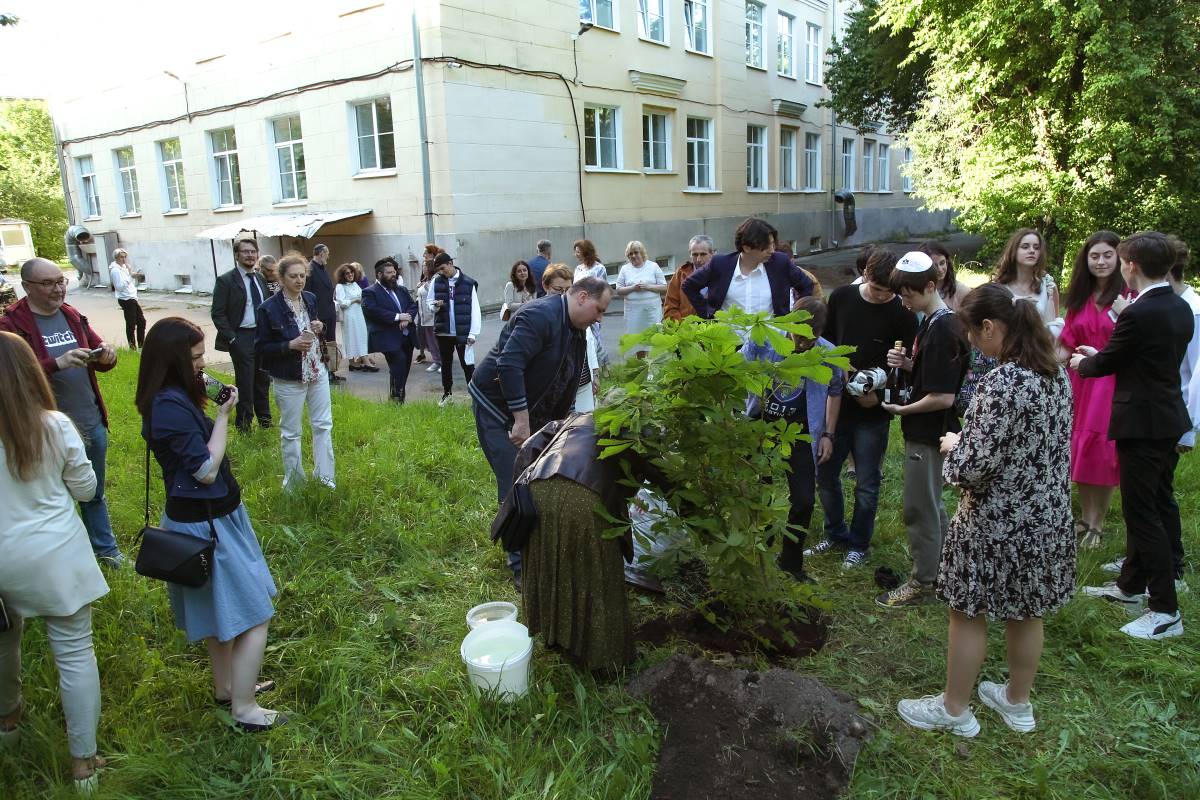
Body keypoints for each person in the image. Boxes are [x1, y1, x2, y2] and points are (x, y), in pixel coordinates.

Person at [896, 283, 1074, 737]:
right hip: (1047, 517)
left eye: (973, 334)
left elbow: (973, 468)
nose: (971, 343)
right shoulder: (1055, 373)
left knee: (967, 611)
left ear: (991, 327)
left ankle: (955, 711)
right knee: (1026, 610)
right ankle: (1018, 703)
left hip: (995, 521)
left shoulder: (1004, 381)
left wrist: (955, 445)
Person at [136, 317, 283, 732]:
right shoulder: (167, 405)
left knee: (220, 614)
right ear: (172, 362)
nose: (203, 364)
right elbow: (204, 468)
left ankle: (228, 688)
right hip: (204, 525)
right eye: (196, 357)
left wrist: (205, 394)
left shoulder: (175, 395)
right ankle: (245, 707)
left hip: (215, 516)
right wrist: (222, 417)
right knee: (255, 614)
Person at [0, 331, 109, 790]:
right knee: (74, 652)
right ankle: (84, 762)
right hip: (55, 554)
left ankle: (8, 723)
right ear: (30, 373)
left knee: (4, 643)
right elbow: (86, 491)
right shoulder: (55, 425)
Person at [1074, 232, 1192, 640]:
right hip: (1165, 417)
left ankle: (1164, 610)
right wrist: (1101, 356)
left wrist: (1083, 361)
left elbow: (1110, 362)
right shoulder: (1178, 305)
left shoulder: (1139, 312)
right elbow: (1141, 357)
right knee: (1154, 504)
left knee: (1143, 515)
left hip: (1143, 423)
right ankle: (1129, 586)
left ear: (1131, 266)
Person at [469, 277, 611, 584]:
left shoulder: (575, 328)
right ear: (583, 297)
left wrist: (562, 422)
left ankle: (536, 549)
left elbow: (566, 375)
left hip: (532, 413)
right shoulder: (540, 315)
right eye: (599, 310)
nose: (600, 318)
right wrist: (521, 420)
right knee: (515, 480)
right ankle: (521, 566)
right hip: (498, 410)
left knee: (536, 477)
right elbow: (509, 364)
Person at [0, 258, 123, 565]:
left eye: (61, 281)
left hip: (89, 418)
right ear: (26, 286)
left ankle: (106, 553)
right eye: (48, 283)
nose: (58, 289)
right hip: (43, 427)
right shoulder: (11, 324)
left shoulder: (70, 314)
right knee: (54, 499)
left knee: (92, 491)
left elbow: (100, 355)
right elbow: (10, 376)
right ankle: (67, 559)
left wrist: (106, 354)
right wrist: (57, 363)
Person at [807, 250, 918, 569]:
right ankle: (835, 533)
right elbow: (823, 344)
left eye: (890, 291)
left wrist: (879, 394)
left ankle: (859, 543)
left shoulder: (903, 313)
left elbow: (906, 369)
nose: (883, 296)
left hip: (873, 411)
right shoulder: (842, 298)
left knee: (867, 482)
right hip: (837, 405)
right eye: (877, 289)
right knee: (825, 474)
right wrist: (838, 369)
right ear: (865, 276)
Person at [878, 251, 969, 608]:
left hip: (930, 430)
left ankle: (924, 582)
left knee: (920, 508)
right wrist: (910, 364)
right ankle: (945, 570)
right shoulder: (931, 320)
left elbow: (944, 396)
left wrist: (902, 408)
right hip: (925, 428)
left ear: (931, 286)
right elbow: (934, 374)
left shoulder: (945, 326)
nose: (904, 301)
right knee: (932, 504)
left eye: (909, 294)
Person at [745, 296, 843, 581]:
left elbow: (835, 391)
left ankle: (790, 563)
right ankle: (757, 552)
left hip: (800, 433)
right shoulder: (765, 340)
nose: (801, 346)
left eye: (808, 342)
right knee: (756, 494)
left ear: (820, 334)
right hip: (761, 427)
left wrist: (828, 434)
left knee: (803, 500)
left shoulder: (827, 353)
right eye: (797, 339)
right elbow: (739, 370)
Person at [1057, 231, 1126, 549]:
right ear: (1086, 260)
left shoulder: (1128, 296)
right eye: (1094, 256)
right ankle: (1085, 516)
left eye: (1107, 255)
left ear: (1119, 259)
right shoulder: (1078, 298)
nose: (1100, 261)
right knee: (1081, 448)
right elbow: (1066, 344)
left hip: (1113, 380)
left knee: (1105, 450)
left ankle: (1098, 523)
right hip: (1080, 381)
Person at [256, 255, 336, 490]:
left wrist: (318, 326)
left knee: (323, 425)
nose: (299, 280)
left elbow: (311, 325)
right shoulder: (268, 308)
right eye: (293, 276)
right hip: (289, 375)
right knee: (291, 432)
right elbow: (260, 349)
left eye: (302, 275)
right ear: (281, 279)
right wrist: (288, 345)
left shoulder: (310, 299)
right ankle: (294, 484)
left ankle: (325, 478)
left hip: (316, 370)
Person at [682, 217, 815, 321]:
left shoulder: (780, 263)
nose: (772, 250)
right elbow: (689, 285)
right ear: (746, 247)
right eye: (766, 246)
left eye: (773, 245)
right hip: (730, 346)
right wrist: (707, 314)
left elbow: (806, 285)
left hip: (771, 345)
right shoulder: (720, 264)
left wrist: (795, 318)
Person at [210, 237, 273, 432]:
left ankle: (265, 421)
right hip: (241, 337)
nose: (250, 255)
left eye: (253, 252)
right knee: (246, 382)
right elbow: (217, 313)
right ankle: (244, 425)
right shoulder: (226, 280)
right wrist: (232, 338)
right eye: (245, 251)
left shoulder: (260, 278)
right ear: (237, 255)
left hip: (261, 336)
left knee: (263, 380)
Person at [362, 257, 419, 404]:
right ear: (379, 275)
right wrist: (398, 317)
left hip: (407, 335)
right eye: (388, 273)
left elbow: (413, 306)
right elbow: (372, 310)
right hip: (387, 336)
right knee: (398, 363)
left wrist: (407, 318)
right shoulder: (370, 292)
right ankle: (397, 397)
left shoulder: (401, 290)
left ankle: (397, 394)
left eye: (394, 272)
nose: (393, 275)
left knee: (404, 367)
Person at [429, 252, 481, 407]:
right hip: (444, 331)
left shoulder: (468, 282)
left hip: (463, 332)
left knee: (468, 365)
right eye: (439, 270)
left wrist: (473, 333)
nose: (441, 272)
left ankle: (475, 397)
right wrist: (434, 306)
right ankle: (447, 394)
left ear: (451, 263)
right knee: (446, 364)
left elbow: (475, 310)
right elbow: (429, 302)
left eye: (443, 268)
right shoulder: (436, 282)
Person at [992, 229, 1063, 337]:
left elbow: (1055, 327)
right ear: (1014, 250)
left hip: (1039, 349)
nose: (1032, 251)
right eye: (1025, 247)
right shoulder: (999, 287)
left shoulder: (1048, 287)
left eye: (1036, 247)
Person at [615, 240, 667, 356]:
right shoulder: (625, 269)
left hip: (651, 312)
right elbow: (618, 290)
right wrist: (633, 288)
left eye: (636, 252)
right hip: (633, 313)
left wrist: (648, 286)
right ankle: (641, 365)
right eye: (630, 254)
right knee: (636, 338)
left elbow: (664, 287)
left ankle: (653, 367)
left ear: (642, 253)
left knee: (653, 338)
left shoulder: (653, 266)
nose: (633, 256)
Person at [304, 244, 344, 383]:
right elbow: (307, 294)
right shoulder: (310, 270)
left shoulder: (323, 268)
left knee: (331, 342)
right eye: (327, 253)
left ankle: (333, 371)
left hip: (329, 312)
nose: (328, 256)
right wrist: (314, 316)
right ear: (321, 253)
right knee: (322, 344)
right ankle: (325, 373)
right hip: (320, 315)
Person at [334, 263, 374, 373]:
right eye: (347, 273)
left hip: (358, 314)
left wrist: (359, 300)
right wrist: (354, 300)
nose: (350, 275)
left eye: (352, 272)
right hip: (349, 316)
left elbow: (361, 296)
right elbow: (341, 302)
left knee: (361, 336)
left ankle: (361, 360)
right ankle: (352, 362)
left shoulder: (355, 284)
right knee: (350, 337)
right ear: (343, 275)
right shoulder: (340, 286)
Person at [664, 235, 713, 321]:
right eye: (695, 255)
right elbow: (670, 306)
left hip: (714, 330)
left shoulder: (721, 273)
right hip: (686, 329)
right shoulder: (681, 273)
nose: (698, 259)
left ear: (712, 253)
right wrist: (682, 326)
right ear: (690, 254)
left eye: (703, 254)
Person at [109, 248, 145, 349]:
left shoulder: (124, 267)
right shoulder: (115, 271)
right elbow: (119, 287)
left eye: (125, 257)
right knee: (131, 324)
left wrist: (130, 272)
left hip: (132, 298)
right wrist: (131, 277)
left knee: (141, 322)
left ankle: (141, 346)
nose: (124, 259)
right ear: (116, 258)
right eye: (121, 257)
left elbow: (130, 283)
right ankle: (132, 347)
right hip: (126, 299)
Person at [920, 240, 970, 312]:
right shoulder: (917, 291)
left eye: (942, 263)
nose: (940, 269)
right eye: (934, 266)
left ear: (947, 262)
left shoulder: (962, 291)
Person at [415, 258, 441, 373]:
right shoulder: (425, 279)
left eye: (425, 265)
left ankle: (443, 362)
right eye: (423, 266)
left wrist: (424, 286)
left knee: (437, 340)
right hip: (424, 315)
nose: (423, 268)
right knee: (430, 340)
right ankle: (436, 361)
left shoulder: (436, 278)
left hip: (433, 315)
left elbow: (434, 292)